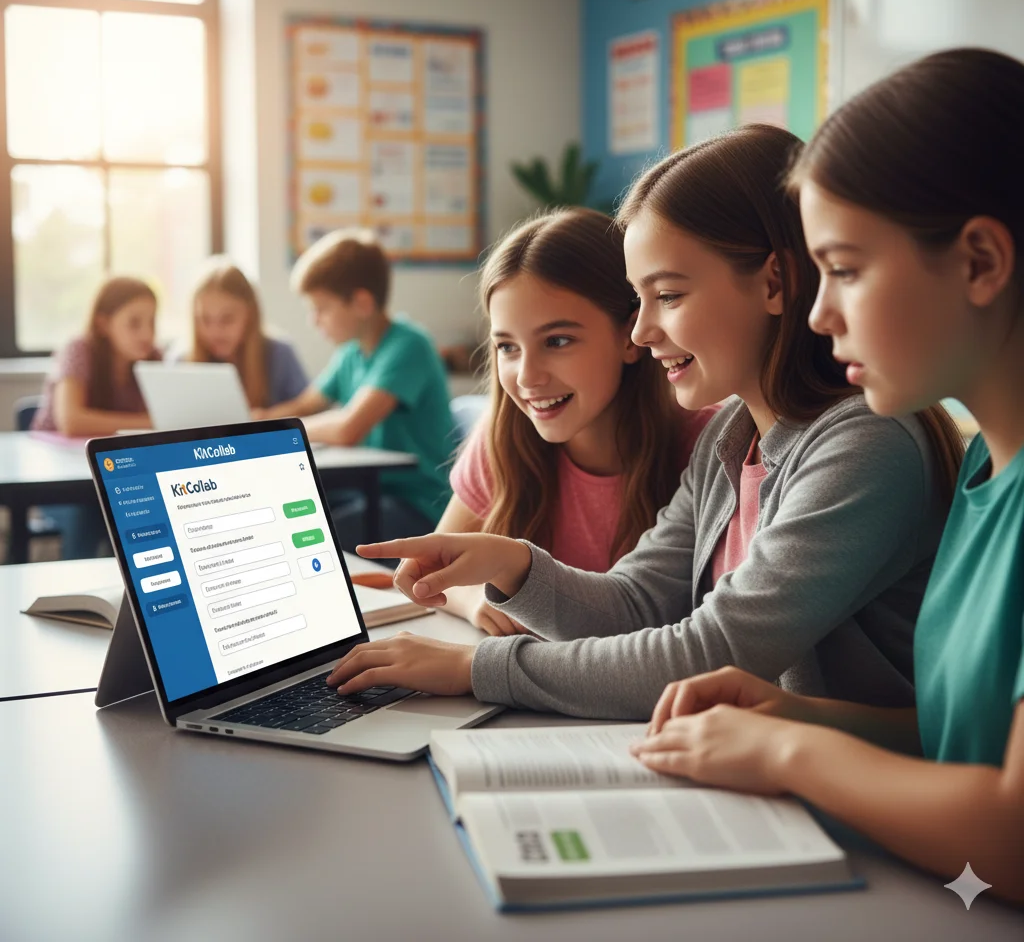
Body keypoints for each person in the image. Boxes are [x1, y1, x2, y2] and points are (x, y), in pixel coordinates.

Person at [327, 124, 962, 720]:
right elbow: (635, 604)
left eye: (669, 295)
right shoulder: (732, 433)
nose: (641, 331)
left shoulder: (863, 443)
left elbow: (709, 651)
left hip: (851, 798)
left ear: (775, 282)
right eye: (639, 298)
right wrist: (512, 562)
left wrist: (477, 668)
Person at [630, 49, 1024, 904]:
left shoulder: (882, 448)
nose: (816, 312)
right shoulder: (991, 468)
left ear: (981, 262)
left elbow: (1013, 837)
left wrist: (789, 753)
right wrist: (798, 715)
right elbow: (968, 741)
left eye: (844, 269)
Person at [437, 208, 717, 636]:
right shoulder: (503, 436)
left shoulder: (707, 444)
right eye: (508, 347)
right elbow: (435, 573)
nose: (528, 377)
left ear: (630, 335)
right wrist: (476, 597)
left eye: (558, 341)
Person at [261, 228, 454, 545]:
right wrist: (260, 419)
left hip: (416, 505)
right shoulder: (351, 352)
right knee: (287, 512)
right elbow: (306, 405)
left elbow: (347, 428)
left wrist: (283, 428)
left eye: (321, 308)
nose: (313, 320)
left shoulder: (409, 346)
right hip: (367, 490)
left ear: (362, 303)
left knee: (307, 536)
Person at [31, 276, 160, 557]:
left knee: (146, 508)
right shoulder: (78, 349)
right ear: (103, 323)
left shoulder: (153, 360)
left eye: (152, 322)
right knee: (91, 512)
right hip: (60, 483)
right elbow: (72, 421)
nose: (147, 334)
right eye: (134, 323)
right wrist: (149, 421)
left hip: (112, 478)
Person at [187, 260, 307, 407]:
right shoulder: (182, 361)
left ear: (250, 316)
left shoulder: (280, 354)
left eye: (227, 319)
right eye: (205, 320)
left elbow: (308, 407)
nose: (215, 332)